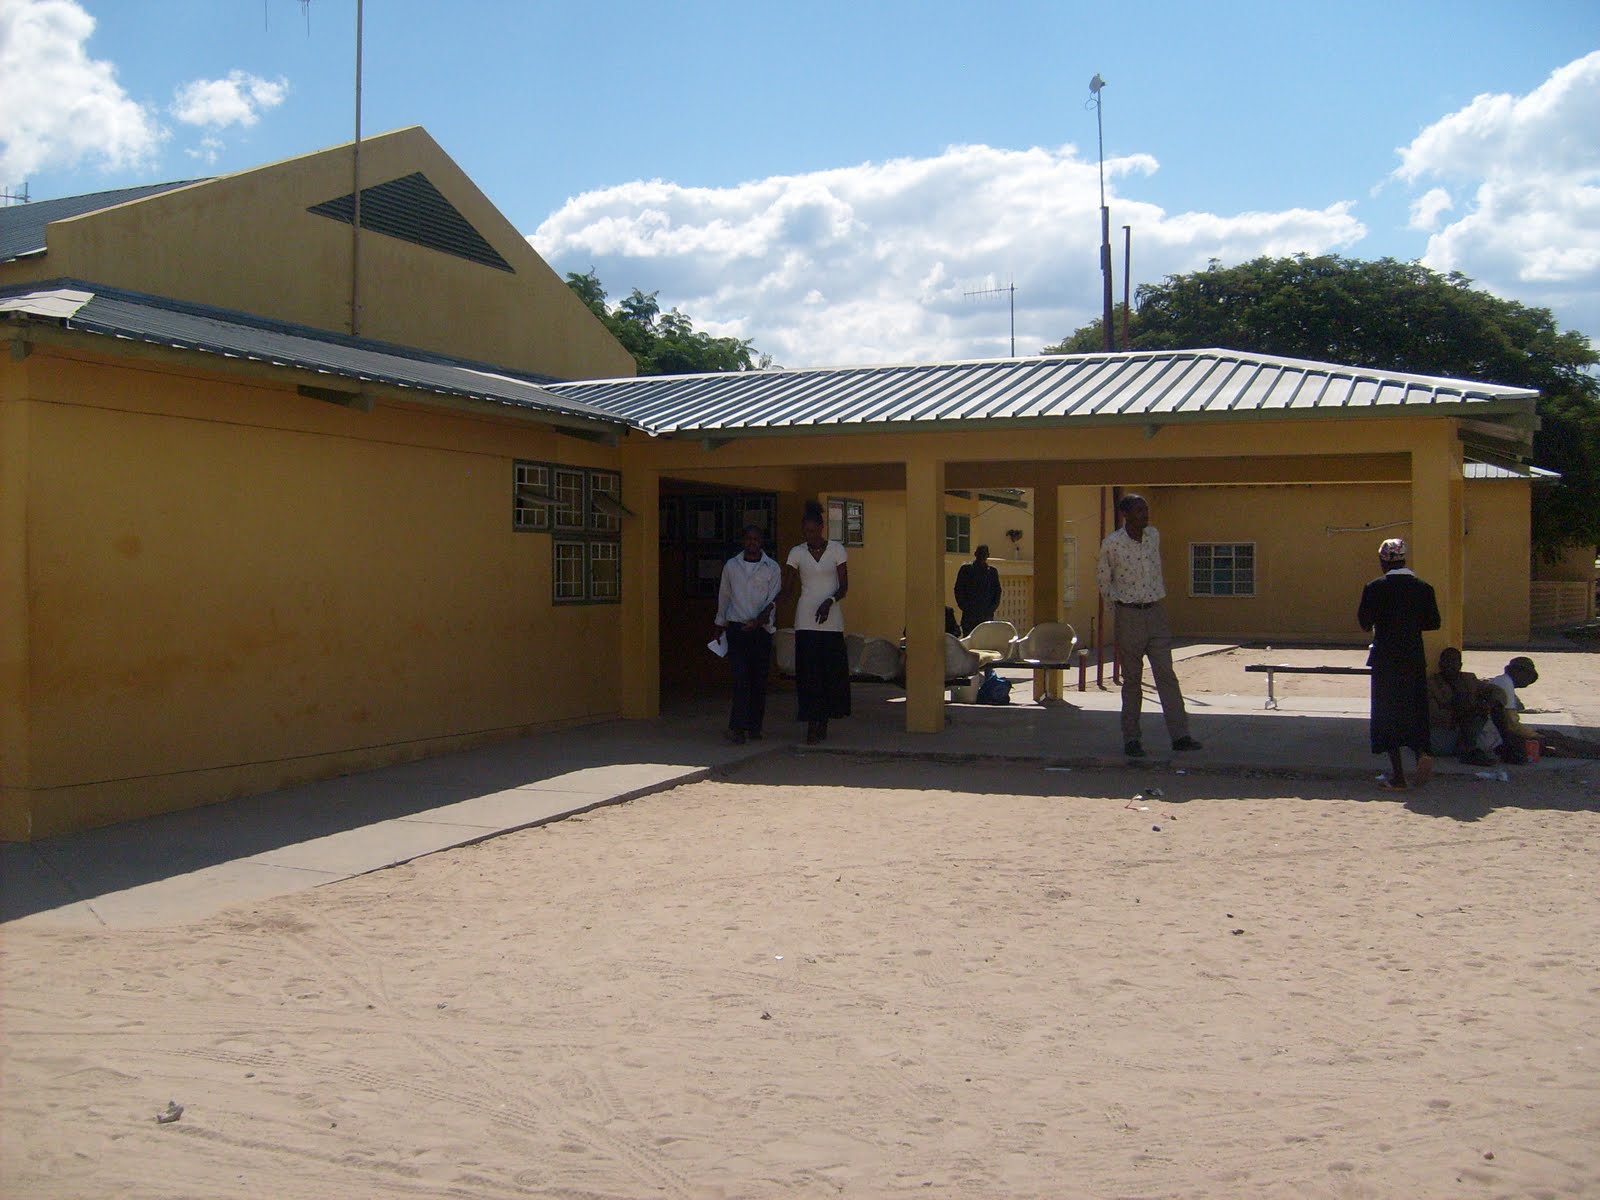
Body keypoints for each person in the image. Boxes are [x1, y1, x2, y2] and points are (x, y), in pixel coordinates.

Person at [1095, 493, 1202, 759]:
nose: (1145, 514)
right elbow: (1104, 581)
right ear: (1125, 515)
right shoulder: (1112, 544)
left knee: (1166, 674)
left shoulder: (1153, 536)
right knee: (1132, 679)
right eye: (1139, 510)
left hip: (1156, 612)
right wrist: (1119, 612)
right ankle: (1132, 739)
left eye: (1146, 509)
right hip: (1129, 615)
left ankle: (1180, 736)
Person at [1358, 537, 1441, 790]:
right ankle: (1422, 753)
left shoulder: (1374, 588)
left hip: (1385, 659)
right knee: (1415, 709)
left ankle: (1398, 776)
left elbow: (1364, 622)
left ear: (1383, 561)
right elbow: (1434, 622)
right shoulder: (1424, 588)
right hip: (1414, 658)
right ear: (1405, 559)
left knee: (1387, 715)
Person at [783, 500, 850, 744]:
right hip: (806, 620)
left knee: (829, 671)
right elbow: (788, 586)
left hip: (831, 620)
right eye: (805, 532)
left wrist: (829, 601)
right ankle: (812, 722)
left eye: (812, 531)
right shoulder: (797, 552)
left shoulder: (837, 550)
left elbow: (844, 587)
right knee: (809, 673)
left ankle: (825, 720)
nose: (809, 535)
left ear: (821, 528)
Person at [713, 524, 783, 745]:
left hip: (761, 631)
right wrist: (720, 623)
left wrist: (760, 621)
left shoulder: (772, 568)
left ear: (761, 542)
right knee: (740, 679)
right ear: (743, 541)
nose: (752, 542)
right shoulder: (732, 566)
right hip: (737, 629)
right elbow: (724, 596)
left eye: (756, 539)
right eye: (748, 539)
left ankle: (754, 727)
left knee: (759, 681)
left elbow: (773, 600)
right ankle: (738, 727)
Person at [1425, 647, 1500, 767]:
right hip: (1446, 729)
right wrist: (1461, 714)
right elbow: (1433, 713)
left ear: (1460, 665)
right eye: (1446, 662)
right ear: (1440, 664)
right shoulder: (1431, 684)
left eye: (1453, 662)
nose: (1449, 666)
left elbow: (1496, 691)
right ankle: (1469, 751)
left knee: (1493, 710)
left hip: (1472, 724)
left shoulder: (1469, 679)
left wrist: (1489, 703)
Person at [1483, 656, 1540, 765]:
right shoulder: (1505, 683)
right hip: (1492, 737)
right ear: (1517, 671)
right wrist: (1534, 735)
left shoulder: (1501, 681)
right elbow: (1511, 723)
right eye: (1527, 675)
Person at [953, 545, 1003, 635]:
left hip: (986, 616)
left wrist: (991, 609)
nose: (982, 556)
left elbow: (997, 592)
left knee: (985, 640)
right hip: (970, 616)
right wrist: (966, 607)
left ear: (988, 555)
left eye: (984, 554)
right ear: (975, 554)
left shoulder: (992, 572)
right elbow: (959, 590)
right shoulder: (966, 570)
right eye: (980, 553)